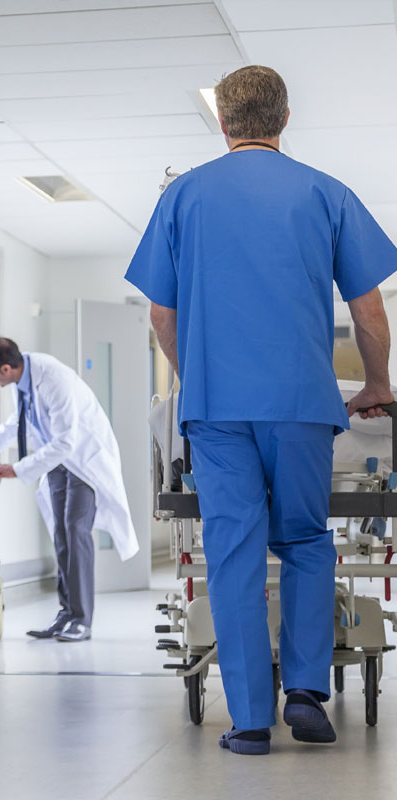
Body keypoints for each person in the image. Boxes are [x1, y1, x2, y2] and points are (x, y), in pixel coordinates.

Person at [125, 65, 395, 755]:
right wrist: (375, 383)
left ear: (222, 121)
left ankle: (248, 719)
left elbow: (161, 314)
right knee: (305, 541)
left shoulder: (182, 196)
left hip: (217, 409)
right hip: (301, 404)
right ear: (284, 119)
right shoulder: (326, 193)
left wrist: (200, 379)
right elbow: (368, 311)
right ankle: (306, 689)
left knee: (234, 554)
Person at [0, 337, 138, 643]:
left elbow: (66, 441)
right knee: (61, 536)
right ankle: (66, 613)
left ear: (7, 368)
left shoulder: (54, 379)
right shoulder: (23, 381)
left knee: (76, 530)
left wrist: (16, 469)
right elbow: (22, 419)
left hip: (82, 460)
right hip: (55, 462)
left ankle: (82, 619)